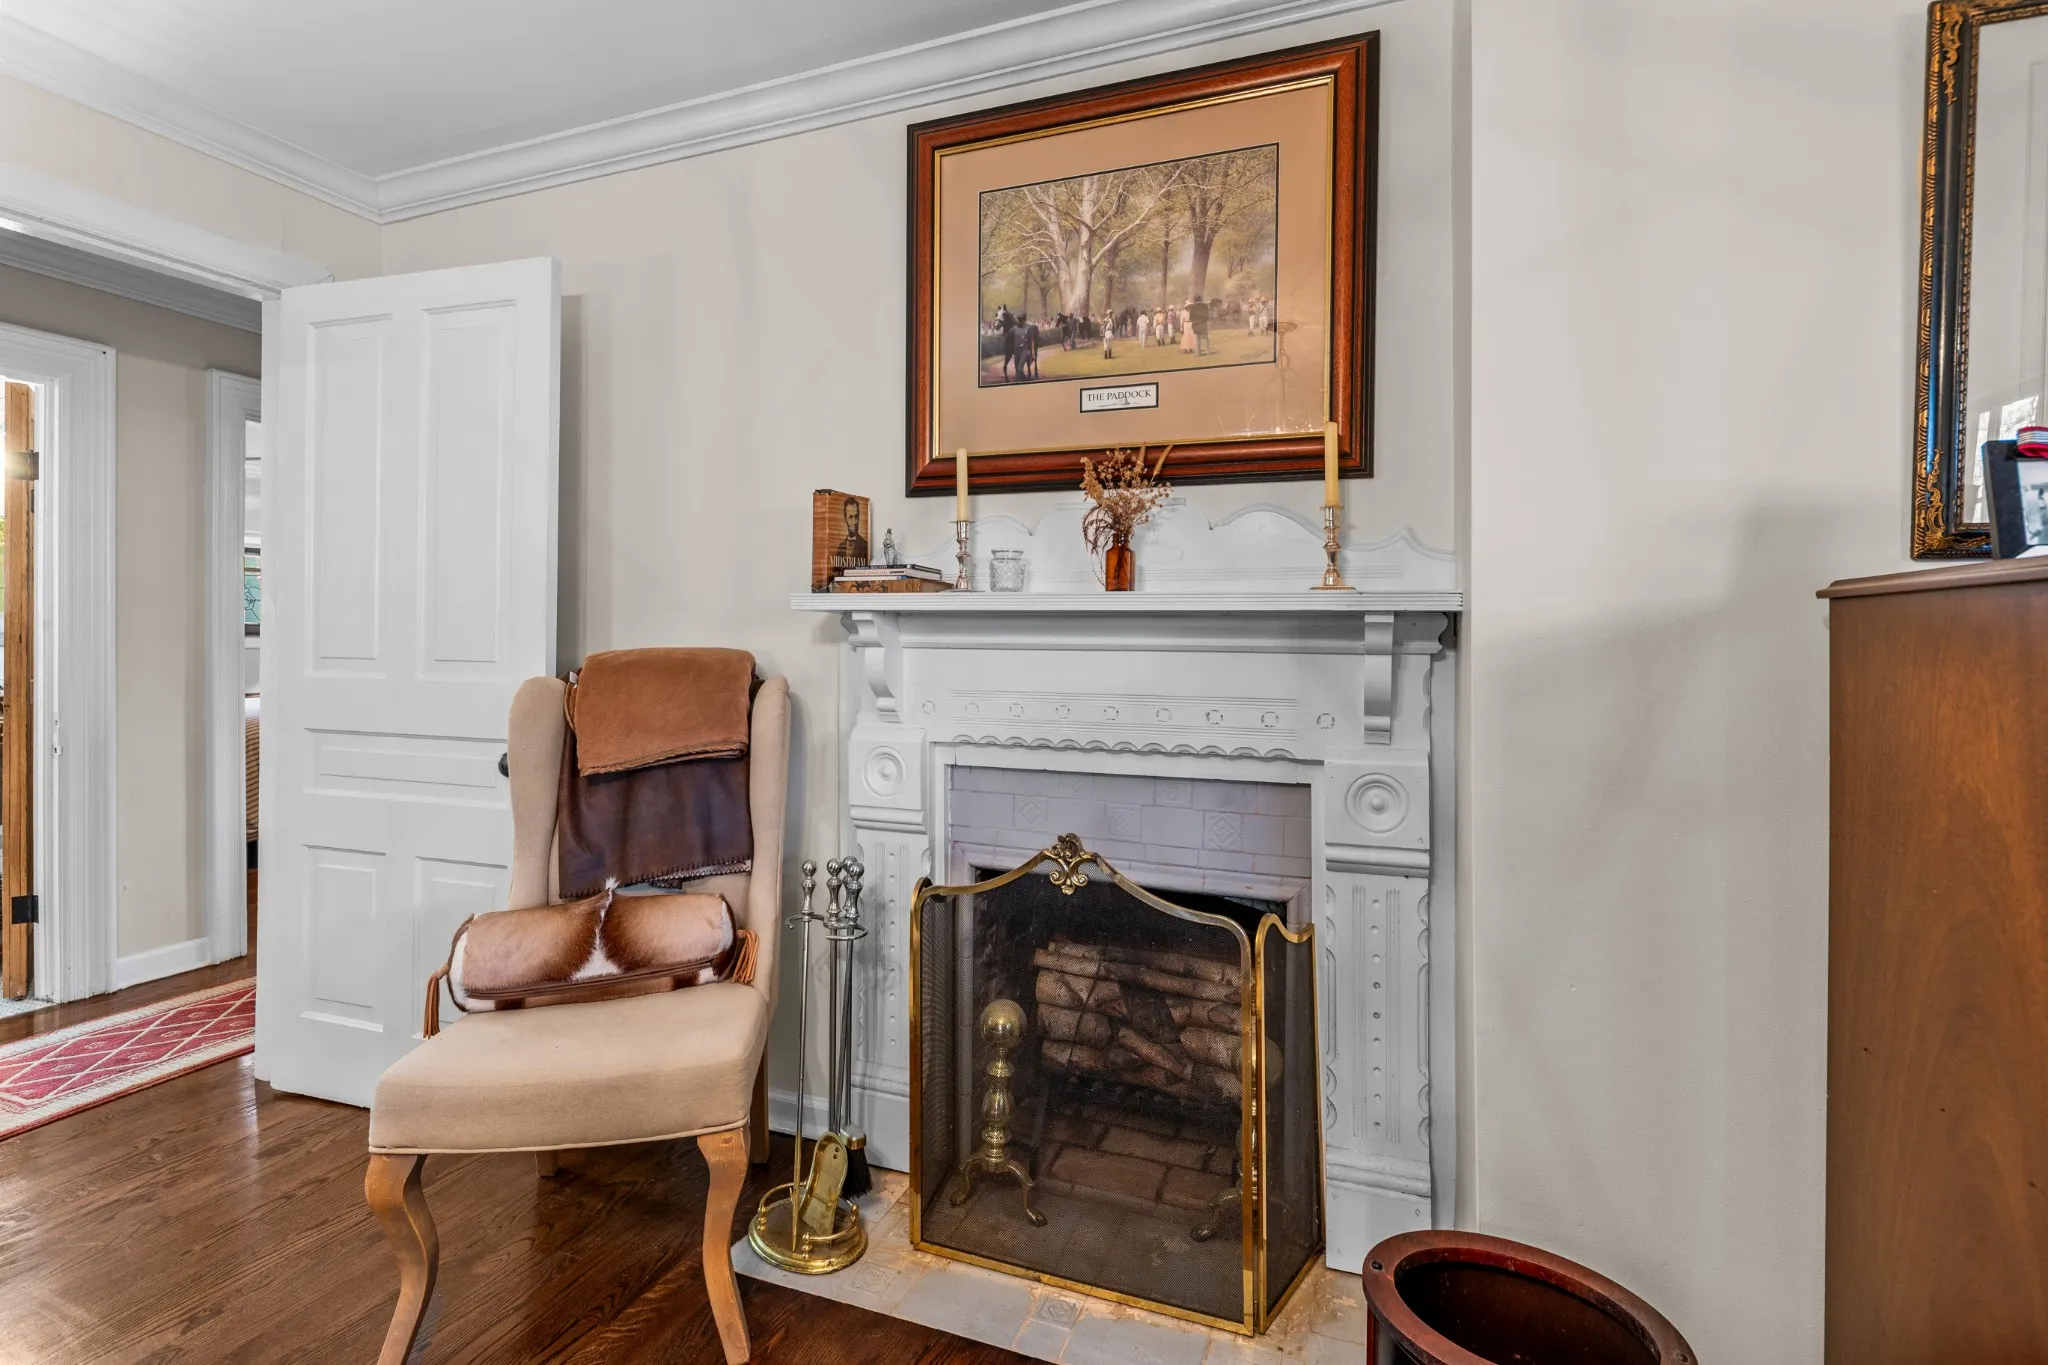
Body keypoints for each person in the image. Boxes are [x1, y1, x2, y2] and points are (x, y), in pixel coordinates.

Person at [831, 497, 869, 572]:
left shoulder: (865, 546)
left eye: (856, 516)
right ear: (845, 518)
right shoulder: (840, 547)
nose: (854, 522)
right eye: (850, 517)